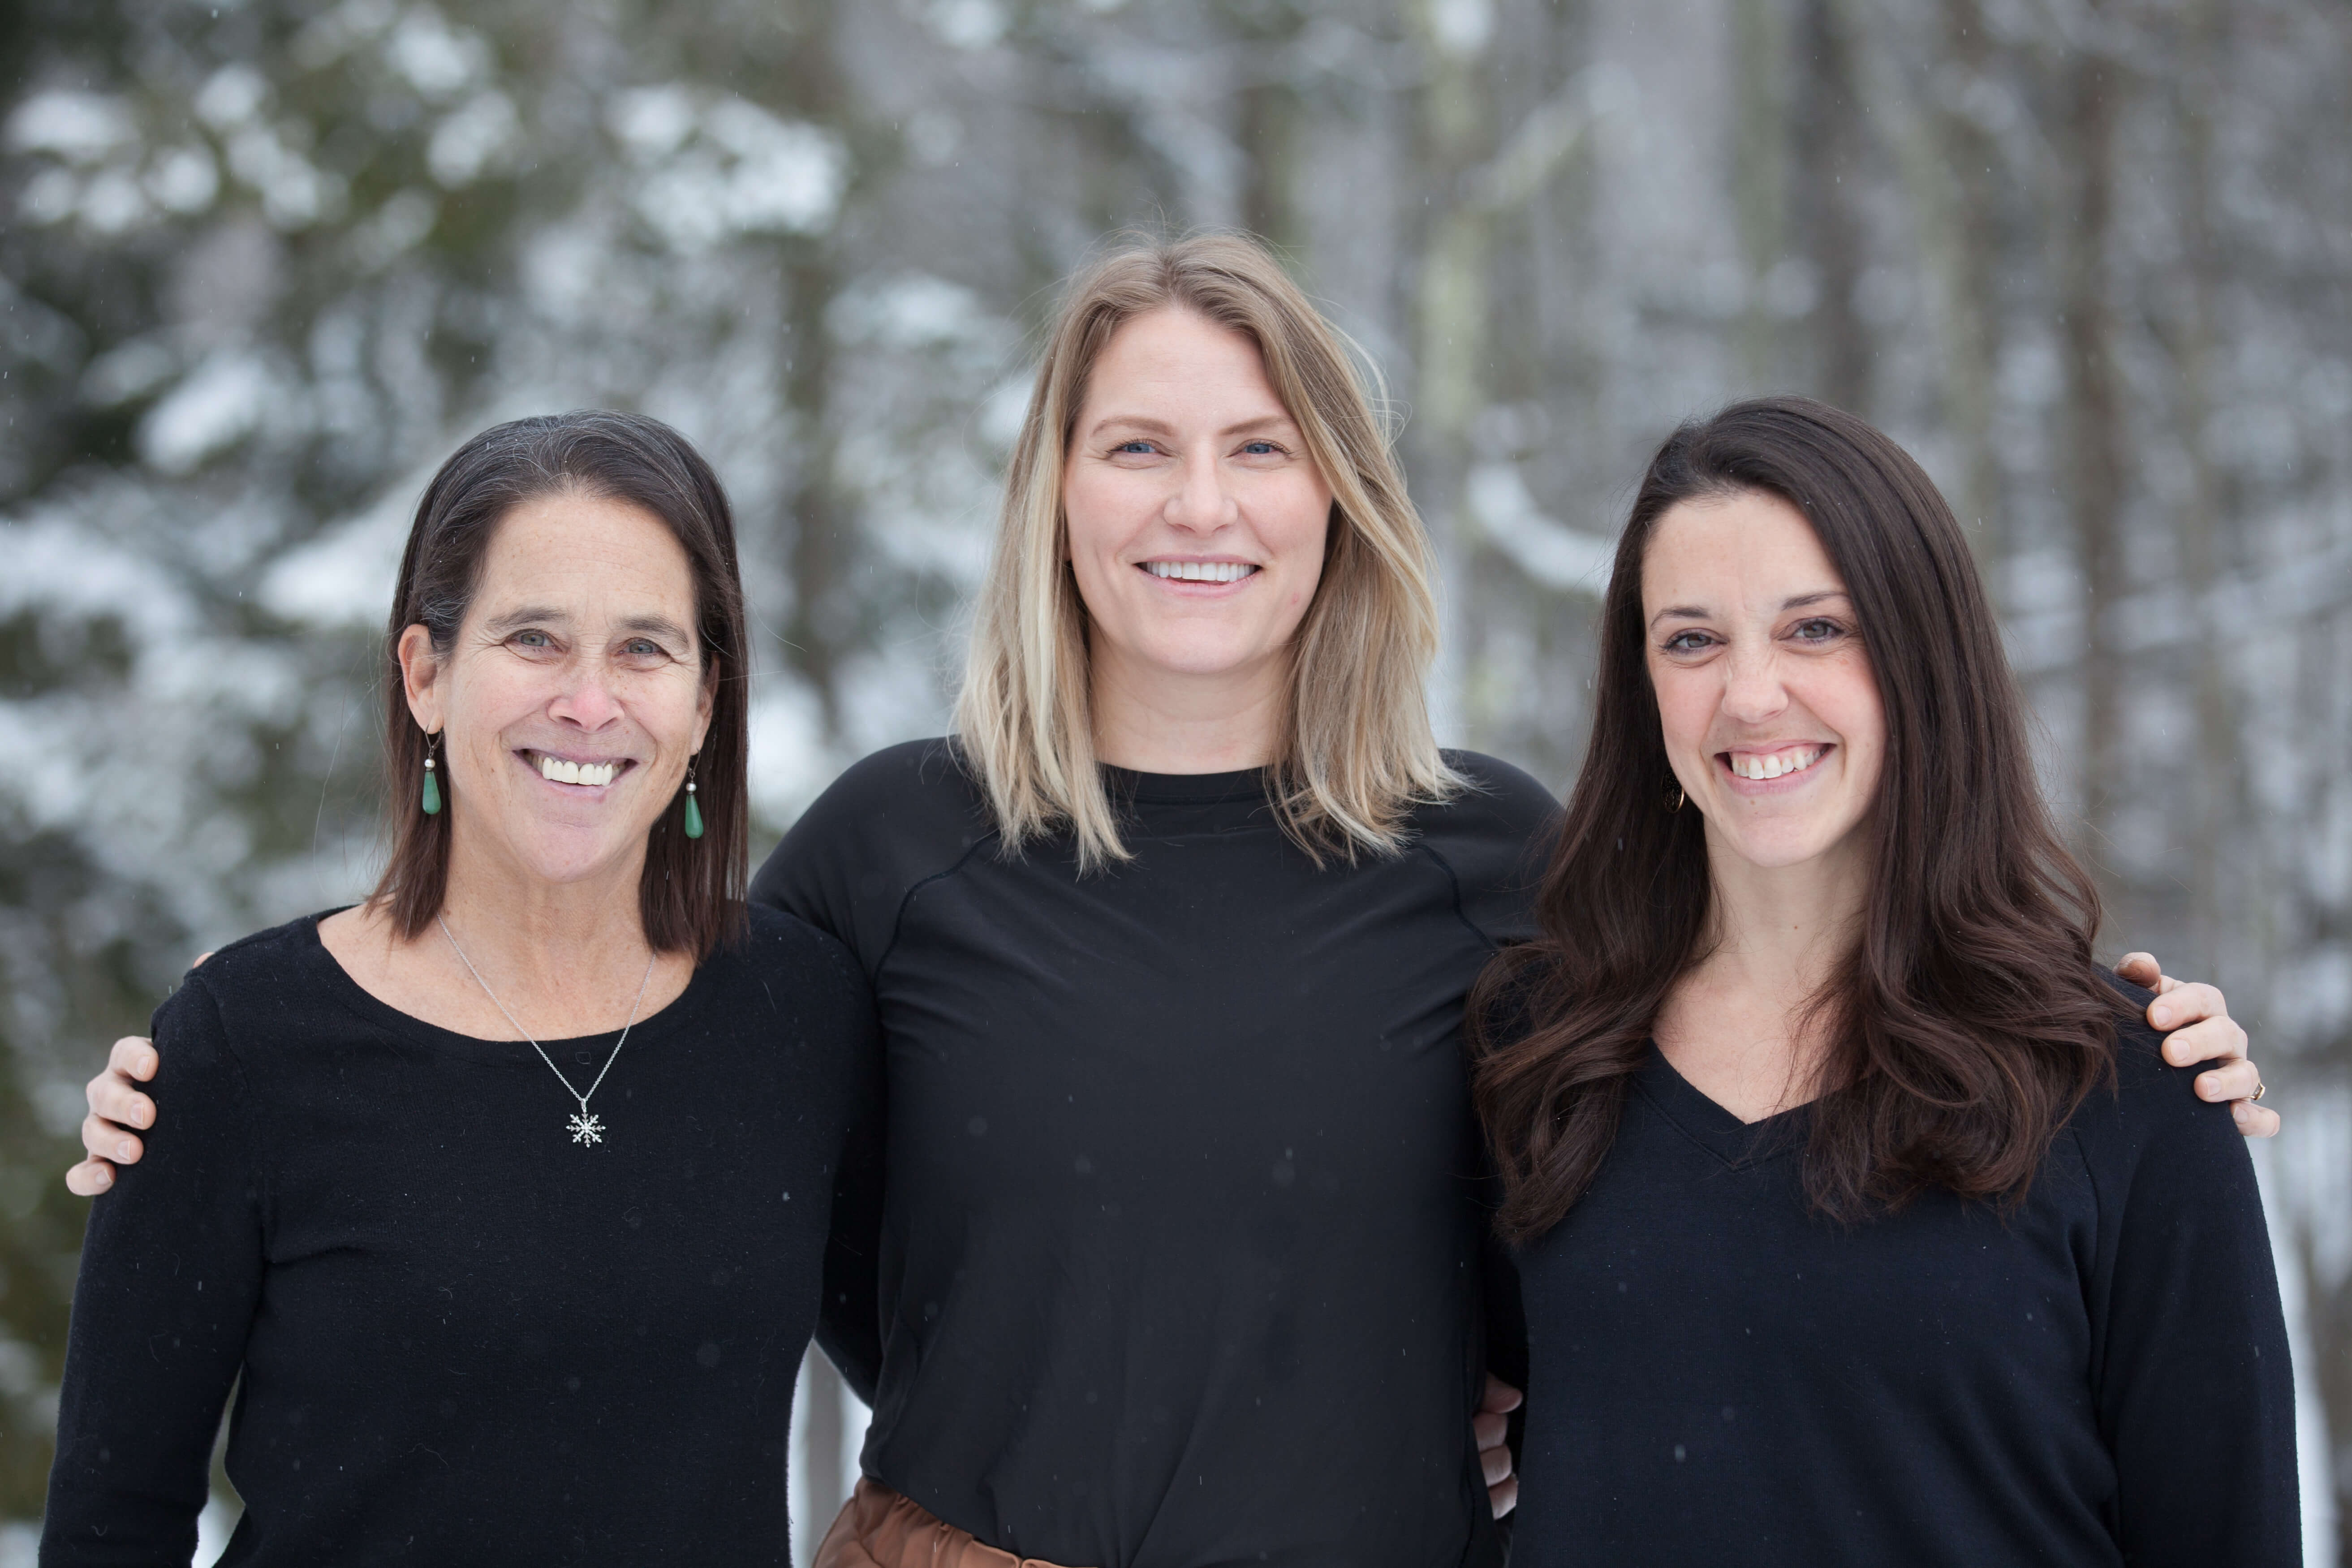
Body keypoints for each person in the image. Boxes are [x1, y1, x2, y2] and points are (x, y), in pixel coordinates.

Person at [65, 241, 2272, 1566]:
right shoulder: (890, 847)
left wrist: (2130, 1034)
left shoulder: (1504, 860)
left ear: (1339, 497)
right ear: (1054, 499)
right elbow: (633, 1088)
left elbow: (1712, 1129)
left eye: (1257, 446)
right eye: (1136, 446)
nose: (1197, 506)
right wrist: (223, 1102)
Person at [1474, 396, 2298, 1567]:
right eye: (1692, 639)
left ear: (1921, 656)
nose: (1750, 693)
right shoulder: (1536, 1054)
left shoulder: (2125, 1087)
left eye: (1815, 629)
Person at [42, 412, 879, 1564]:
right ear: (426, 672)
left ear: (705, 703)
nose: (589, 703)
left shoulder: (804, 1017)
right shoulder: (247, 1043)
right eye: (534, 638)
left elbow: (976, 1334)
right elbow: (112, 1520)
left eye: (644, 648)